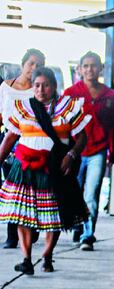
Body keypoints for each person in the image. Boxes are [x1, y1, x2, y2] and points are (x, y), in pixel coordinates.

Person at [0, 67, 89, 275]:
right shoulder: (22, 108)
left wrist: (71, 155)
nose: (41, 90)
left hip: (55, 169)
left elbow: (82, 137)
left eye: (46, 85)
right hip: (24, 169)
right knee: (21, 215)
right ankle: (26, 258)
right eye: (37, 85)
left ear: (54, 86)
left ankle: (47, 254)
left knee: (54, 217)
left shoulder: (68, 108)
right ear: (32, 87)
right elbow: (10, 138)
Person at [65, 51, 114, 251]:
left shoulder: (110, 96)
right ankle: (77, 225)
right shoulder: (71, 93)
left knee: (92, 193)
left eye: (93, 65)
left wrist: (112, 152)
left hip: (98, 150)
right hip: (75, 151)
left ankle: (88, 235)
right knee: (75, 193)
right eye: (85, 66)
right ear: (79, 69)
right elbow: (63, 124)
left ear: (101, 69)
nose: (89, 70)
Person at [2, 48, 44, 249]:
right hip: (8, 139)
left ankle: (31, 228)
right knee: (12, 188)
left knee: (30, 188)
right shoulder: (6, 87)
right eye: (31, 64)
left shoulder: (38, 91)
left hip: (30, 142)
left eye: (38, 65)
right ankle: (12, 235)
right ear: (23, 64)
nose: (33, 68)